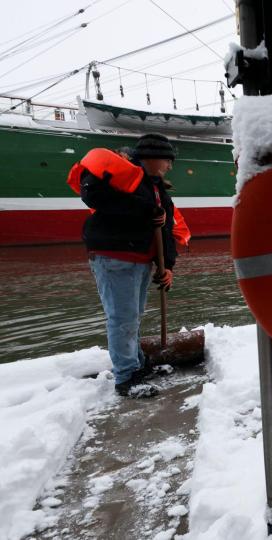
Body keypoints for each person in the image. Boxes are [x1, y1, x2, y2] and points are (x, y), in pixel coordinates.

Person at [79, 133, 179, 398]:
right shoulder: (119, 175)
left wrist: (167, 265)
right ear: (152, 157)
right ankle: (126, 378)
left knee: (132, 317)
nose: (170, 166)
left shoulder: (156, 187)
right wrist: (145, 209)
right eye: (168, 160)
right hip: (116, 257)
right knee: (122, 319)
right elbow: (92, 194)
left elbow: (167, 227)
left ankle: (137, 365)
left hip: (141, 260)